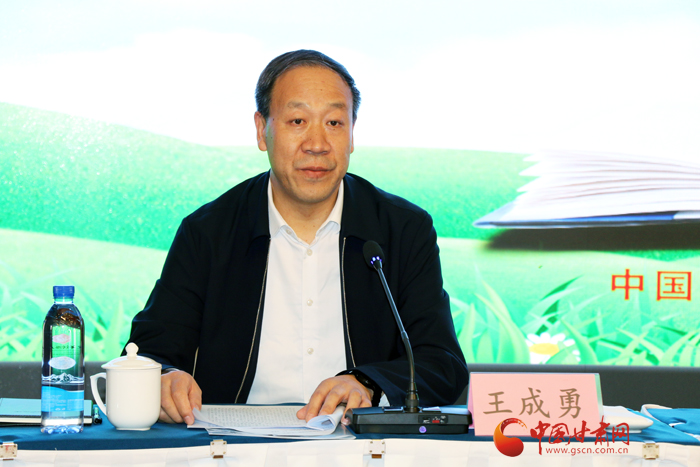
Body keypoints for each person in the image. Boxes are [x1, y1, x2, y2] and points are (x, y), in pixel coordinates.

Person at [126, 50, 468, 426]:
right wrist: (164, 377)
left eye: (334, 122)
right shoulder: (208, 232)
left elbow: (442, 363)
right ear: (262, 130)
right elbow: (148, 353)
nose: (317, 143)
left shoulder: (402, 230)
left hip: (361, 442)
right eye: (298, 121)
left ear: (352, 134)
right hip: (234, 443)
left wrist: (368, 382)